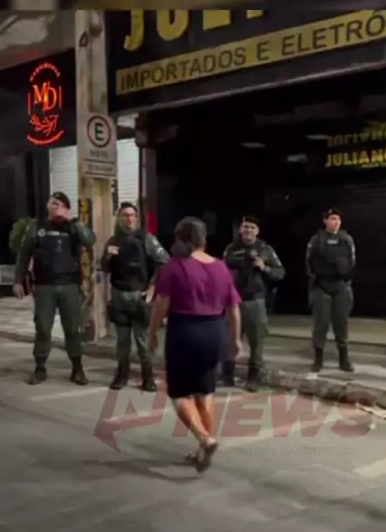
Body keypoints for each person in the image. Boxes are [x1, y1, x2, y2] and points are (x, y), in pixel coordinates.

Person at [149, 217, 241, 472]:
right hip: (215, 331)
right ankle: (204, 449)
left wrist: (152, 332)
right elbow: (233, 309)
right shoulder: (220, 267)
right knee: (205, 390)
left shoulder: (175, 266)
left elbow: (161, 304)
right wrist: (235, 339)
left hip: (185, 331)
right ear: (203, 239)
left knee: (179, 393)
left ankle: (204, 438)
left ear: (180, 239)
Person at [12, 191, 96, 385]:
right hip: (44, 286)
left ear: (67, 209)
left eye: (61, 205)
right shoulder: (36, 227)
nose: (57, 208)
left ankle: (77, 369)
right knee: (42, 327)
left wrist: (73, 221)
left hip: (69, 285)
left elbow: (90, 240)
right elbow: (24, 254)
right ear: (47, 206)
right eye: (54, 203)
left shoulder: (73, 227)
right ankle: (40, 367)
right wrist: (18, 280)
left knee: (72, 329)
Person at [101, 202, 169, 391]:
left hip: (139, 295)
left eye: (132, 215)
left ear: (136, 218)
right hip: (119, 294)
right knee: (122, 341)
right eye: (125, 215)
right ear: (119, 218)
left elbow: (164, 261)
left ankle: (148, 378)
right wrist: (107, 256)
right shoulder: (113, 241)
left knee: (142, 341)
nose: (129, 219)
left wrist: (153, 286)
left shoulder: (146, 238)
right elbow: (104, 268)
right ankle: (122, 375)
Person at [222, 215, 285, 392]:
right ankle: (227, 375)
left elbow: (280, 273)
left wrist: (264, 267)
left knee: (257, 342)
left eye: (252, 227)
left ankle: (253, 378)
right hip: (233, 301)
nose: (248, 230)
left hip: (255, 301)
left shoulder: (265, 250)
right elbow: (222, 271)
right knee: (229, 339)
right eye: (245, 227)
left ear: (257, 231)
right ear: (240, 230)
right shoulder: (231, 249)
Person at [306, 208, 356, 373]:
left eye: (338, 219)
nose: (335, 222)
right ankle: (318, 359)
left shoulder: (346, 239)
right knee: (320, 324)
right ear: (325, 221)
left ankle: (344, 359)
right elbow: (308, 262)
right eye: (332, 218)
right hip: (322, 286)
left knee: (341, 324)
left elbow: (352, 261)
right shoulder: (316, 240)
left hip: (341, 286)